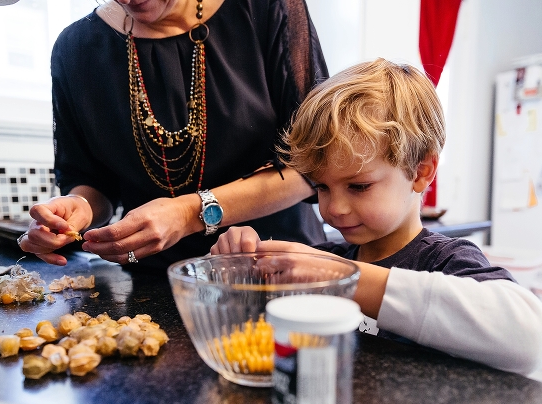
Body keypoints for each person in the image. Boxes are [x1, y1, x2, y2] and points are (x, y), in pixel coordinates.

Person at [211, 59, 542, 375]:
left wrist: (342, 277)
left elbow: (531, 339)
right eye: (322, 188)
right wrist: (242, 267)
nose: (333, 209)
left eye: (359, 186)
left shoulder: (444, 261)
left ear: (421, 171)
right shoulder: (328, 259)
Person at [17, 0, 327, 270]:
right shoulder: (76, 48)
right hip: (155, 279)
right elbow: (93, 183)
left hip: (278, 263)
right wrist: (79, 208)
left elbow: (313, 164)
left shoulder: (266, 7)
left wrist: (189, 214)